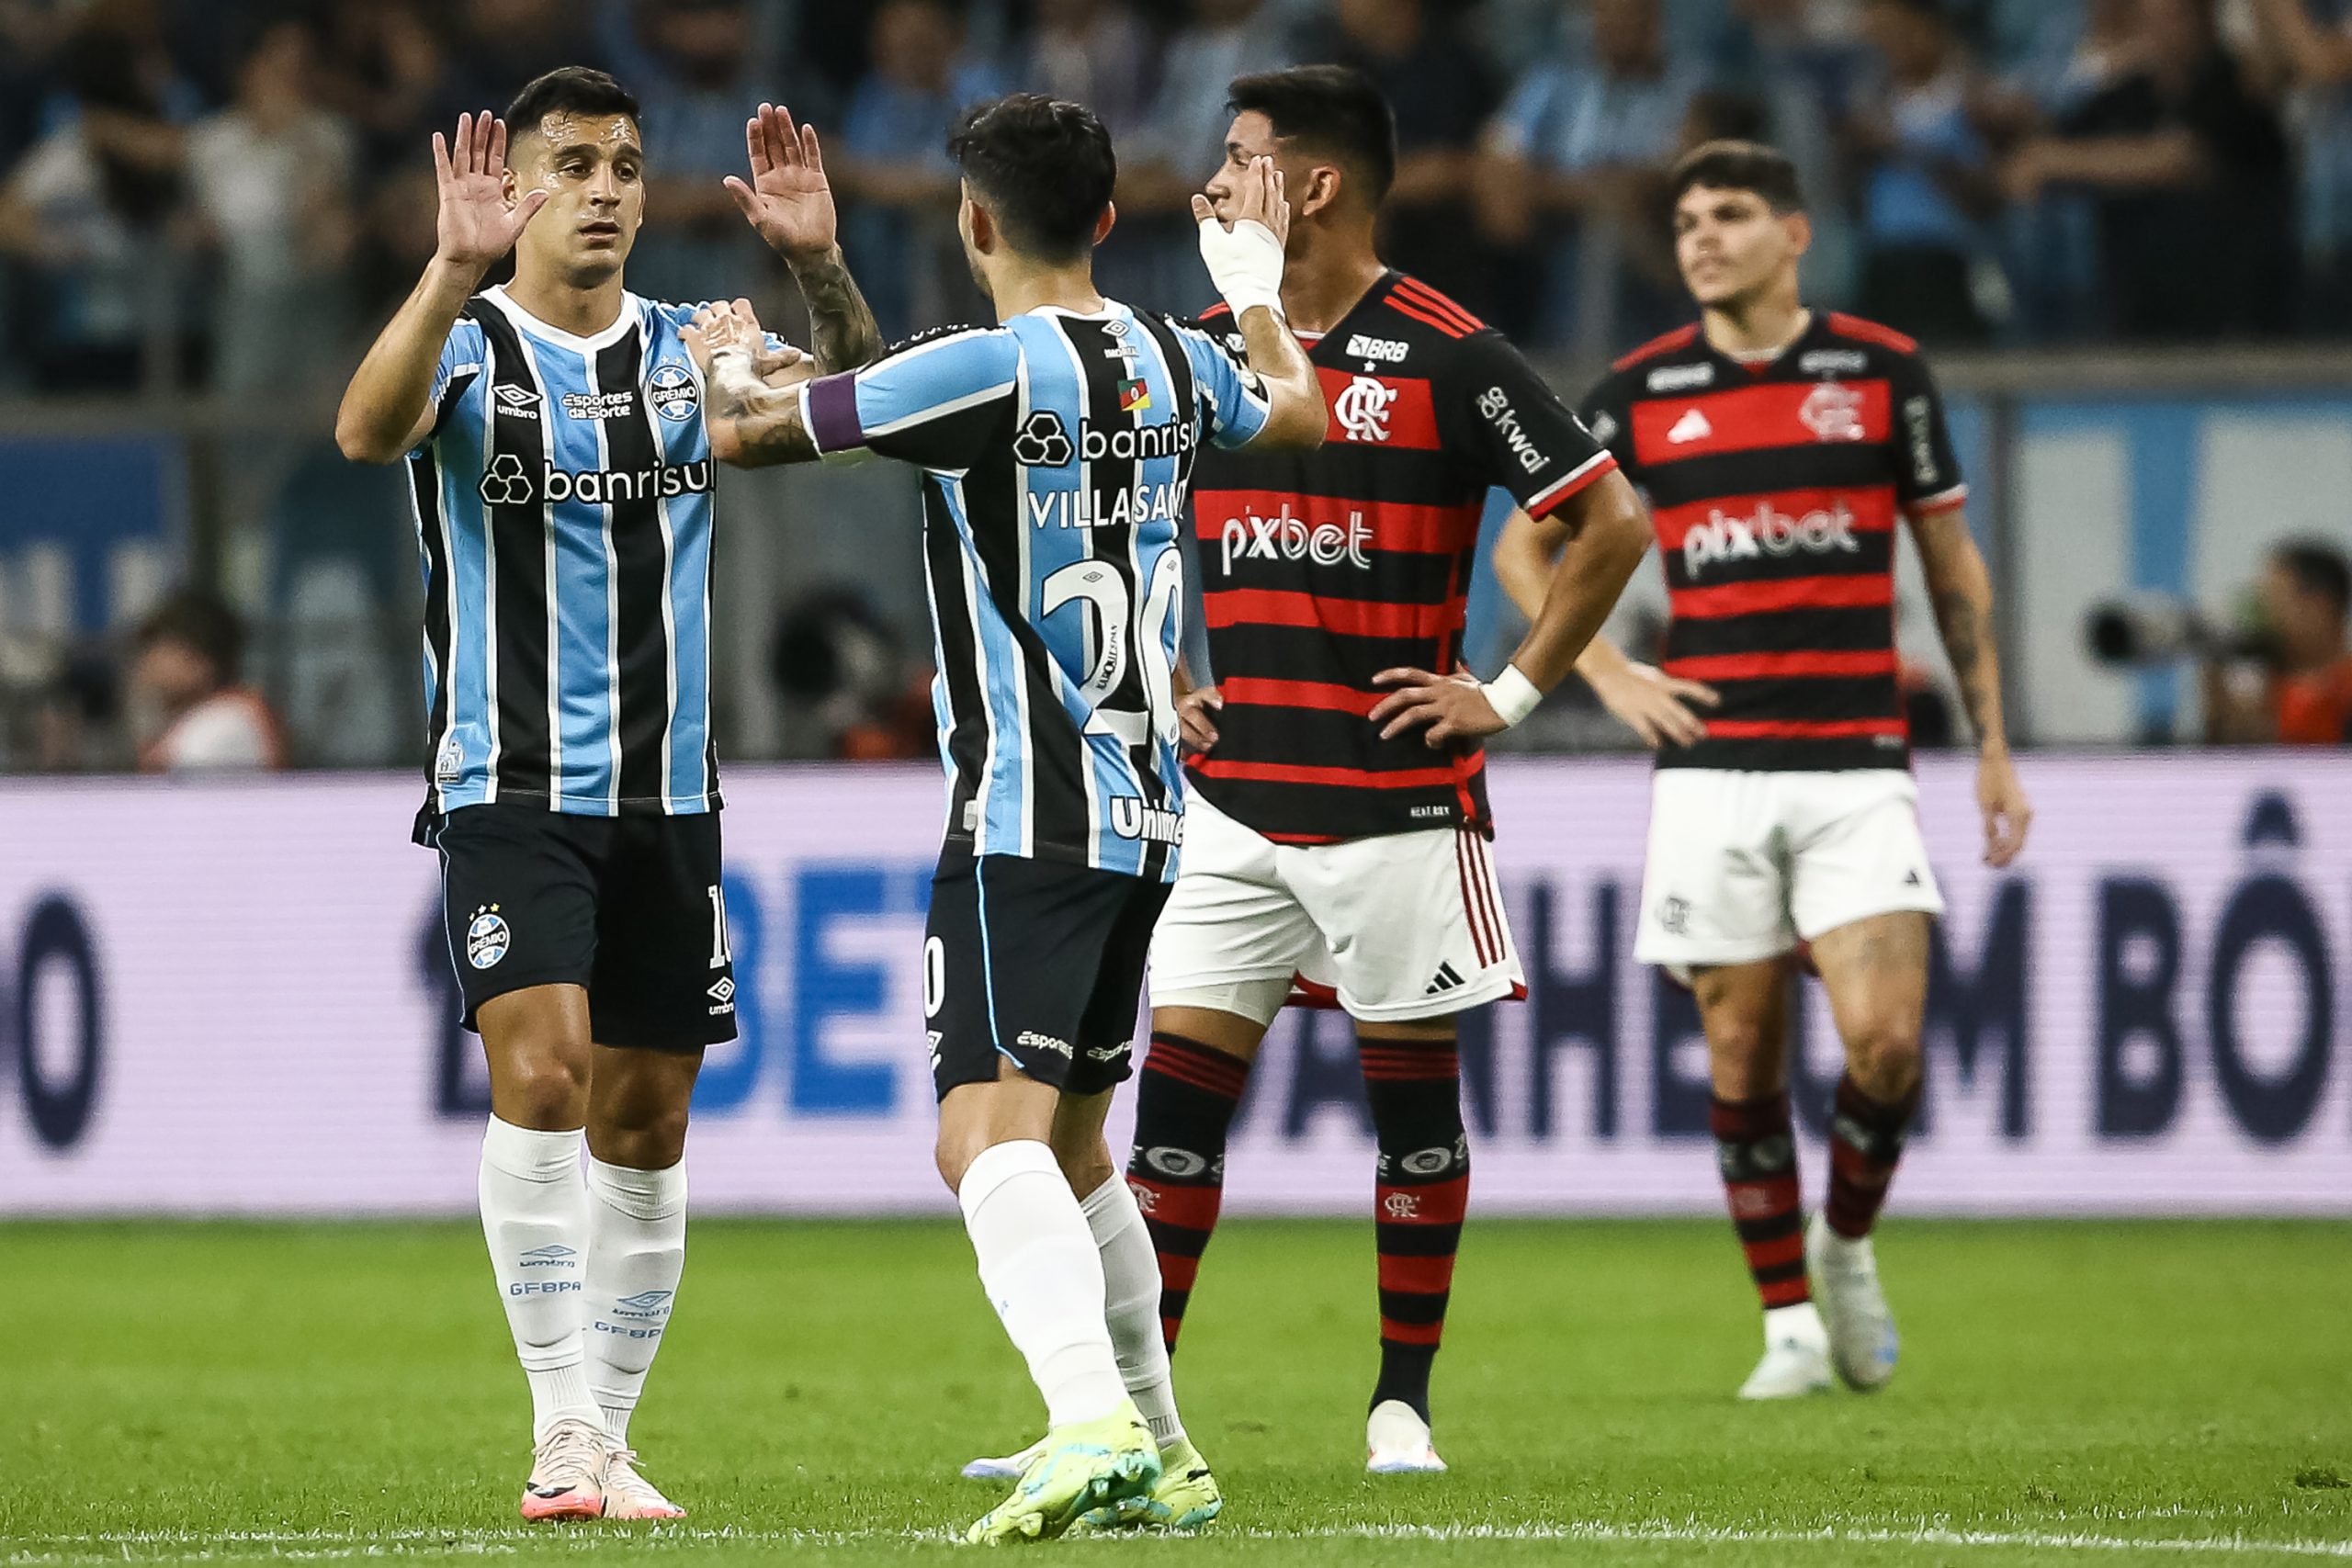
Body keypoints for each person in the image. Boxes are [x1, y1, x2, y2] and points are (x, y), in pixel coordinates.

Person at [973, 64, 1653, 1481]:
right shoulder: (1211, 350)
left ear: (1315, 186)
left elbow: (1609, 522)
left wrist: (1509, 691)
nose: (1212, 183)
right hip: (1225, 805)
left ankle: (1401, 1401)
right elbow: (1130, 531)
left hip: (1396, 805)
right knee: (1167, 1133)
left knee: (1411, 1115)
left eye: (1238, 160)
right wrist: (1168, 669)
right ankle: (1129, 1429)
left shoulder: (1451, 355)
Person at [677, 92, 1327, 1541]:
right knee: (1075, 1146)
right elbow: (1296, 408)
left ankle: (1090, 1423)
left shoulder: (983, 365)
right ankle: (1163, 1448)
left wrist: (729, 358)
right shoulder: (1171, 355)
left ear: (973, 223)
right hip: (1148, 812)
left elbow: (751, 437)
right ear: (1106, 216)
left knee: (981, 1138)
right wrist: (1264, 296)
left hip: (1023, 813)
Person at [334, 72, 882, 1520]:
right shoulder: (468, 346)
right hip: (507, 784)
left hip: (669, 795)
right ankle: (561, 1425)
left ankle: (608, 1437)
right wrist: (446, 266)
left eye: (625, 165)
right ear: (512, 190)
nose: (603, 188)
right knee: (548, 1076)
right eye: (569, 163)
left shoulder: (700, 348)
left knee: (646, 1127)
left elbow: (863, 399)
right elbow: (363, 432)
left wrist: (818, 266)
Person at [1497, 140, 2032, 1402]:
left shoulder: (1881, 372)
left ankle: (1844, 1245)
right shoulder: (1637, 390)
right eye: (1685, 218)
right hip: (1711, 767)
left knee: (1886, 1044)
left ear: (1795, 233)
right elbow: (1529, 550)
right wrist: (1616, 675)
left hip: (1857, 758)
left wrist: (1994, 741)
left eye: (1730, 213)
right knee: (1741, 1054)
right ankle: (1788, 1319)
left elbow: (1952, 567)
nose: (1702, 236)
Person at [2205, 540, 2352, 744]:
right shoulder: (2262, 687)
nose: (2264, 617)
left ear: (2319, 606)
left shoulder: (2344, 686)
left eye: (2273, 601)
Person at [130, 591, 285, 773]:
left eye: (159, 651)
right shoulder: (206, 718)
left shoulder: (222, 726)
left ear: (200, 661)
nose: (148, 664)